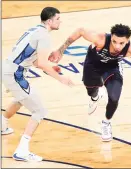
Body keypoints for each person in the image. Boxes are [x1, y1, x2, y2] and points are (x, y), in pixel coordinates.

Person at [49, 24, 131, 142]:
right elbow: (80, 31)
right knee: (91, 90)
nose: (117, 46)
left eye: (121, 43)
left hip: (112, 68)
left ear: (127, 40)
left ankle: (106, 123)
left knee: (114, 97)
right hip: (93, 65)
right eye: (114, 41)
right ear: (111, 37)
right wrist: (60, 50)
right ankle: (94, 96)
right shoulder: (101, 39)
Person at [2, 7, 74, 162]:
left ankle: (2, 123)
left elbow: (34, 60)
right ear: (49, 21)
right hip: (15, 74)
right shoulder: (44, 36)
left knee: (22, 98)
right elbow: (42, 63)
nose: (60, 21)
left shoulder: (34, 30)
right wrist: (60, 78)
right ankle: (22, 150)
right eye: (57, 19)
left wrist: (51, 68)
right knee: (39, 110)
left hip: (9, 69)